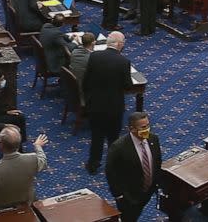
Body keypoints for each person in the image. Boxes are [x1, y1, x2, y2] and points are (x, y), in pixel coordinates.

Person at [83, 31, 132, 175]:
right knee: (113, 138)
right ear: (120, 45)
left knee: (96, 136)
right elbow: (128, 86)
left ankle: (93, 164)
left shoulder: (94, 56)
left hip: (95, 105)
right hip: (114, 107)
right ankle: (113, 166)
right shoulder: (124, 62)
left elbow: (86, 80)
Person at [106, 112, 162, 222]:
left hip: (148, 190)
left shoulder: (153, 139)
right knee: (129, 218)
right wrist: (119, 195)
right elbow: (110, 172)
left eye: (148, 125)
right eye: (143, 127)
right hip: (128, 196)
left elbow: (157, 161)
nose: (147, 129)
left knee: (138, 210)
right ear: (132, 129)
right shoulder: (119, 147)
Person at [0, 127, 48, 208]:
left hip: (6, 210)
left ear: (0, 145)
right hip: (29, 204)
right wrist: (38, 146)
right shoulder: (33, 158)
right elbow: (43, 161)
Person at [69, 32, 95, 105]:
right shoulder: (92, 59)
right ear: (93, 43)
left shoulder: (74, 52)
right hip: (84, 90)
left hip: (74, 86)